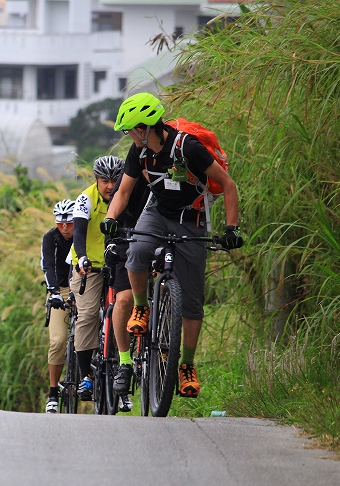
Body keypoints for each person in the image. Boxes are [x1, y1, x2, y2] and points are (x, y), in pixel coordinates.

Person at [101, 92, 243, 398]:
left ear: (144, 128)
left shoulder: (186, 148)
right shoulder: (138, 153)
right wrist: (111, 217)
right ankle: (142, 307)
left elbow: (228, 185)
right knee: (136, 251)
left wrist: (231, 228)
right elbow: (124, 192)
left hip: (191, 220)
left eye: (130, 130)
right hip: (157, 213)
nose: (129, 136)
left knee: (192, 302)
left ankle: (187, 366)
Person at [70, 155, 124, 401]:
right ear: (96, 180)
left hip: (116, 263)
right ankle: (86, 377)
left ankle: (126, 366)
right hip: (88, 267)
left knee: (125, 308)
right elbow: (78, 232)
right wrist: (81, 257)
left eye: (115, 181)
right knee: (89, 315)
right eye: (105, 181)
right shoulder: (85, 199)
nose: (110, 186)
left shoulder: (126, 196)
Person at [104, 174, 150, 399]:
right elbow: (114, 212)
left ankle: (164, 352)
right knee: (123, 299)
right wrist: (110, 243)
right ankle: (124, 362)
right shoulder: (129, 175)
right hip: (128, 240)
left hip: (160, 239)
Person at [40, 199, 75, 413]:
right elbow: (48, 265)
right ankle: (53, 393)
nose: (64, 228)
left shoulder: (84, 235)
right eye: (60, 223)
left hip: (84, 289)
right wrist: (54, 292)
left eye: (69, 223)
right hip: (59, 291)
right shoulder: (50, 238)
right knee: (58, 340)